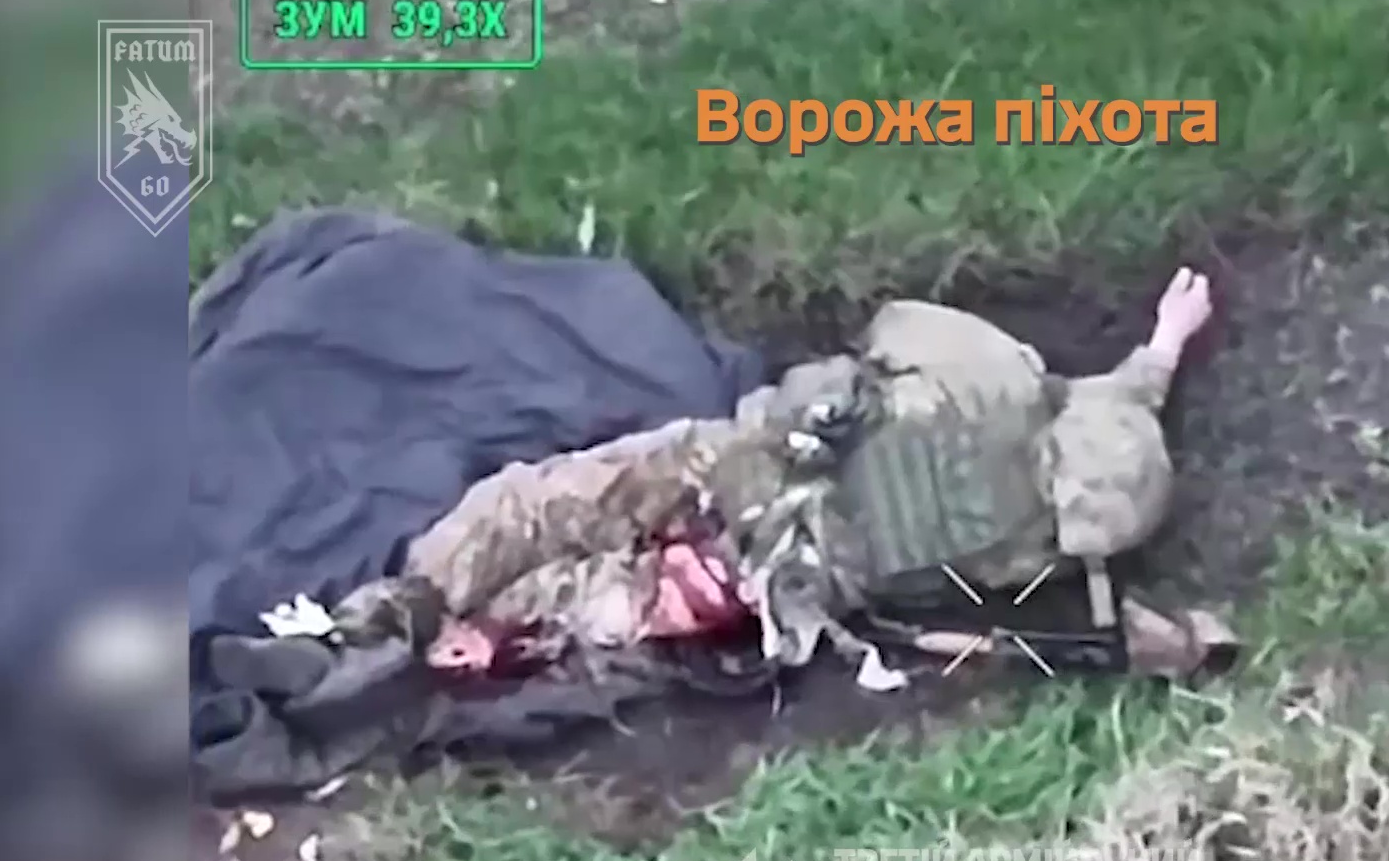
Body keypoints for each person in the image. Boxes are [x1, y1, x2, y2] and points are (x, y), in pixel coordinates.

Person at [332, 266, 1237, 690]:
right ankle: (468, 628)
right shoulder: (1034, 536)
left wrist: (1165, 338)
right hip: (772, 560)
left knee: (557, 501)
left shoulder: (990, 374)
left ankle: (418, 600)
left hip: (744, 473)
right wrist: (1160, 355)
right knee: (597, 595)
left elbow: (883, 342)